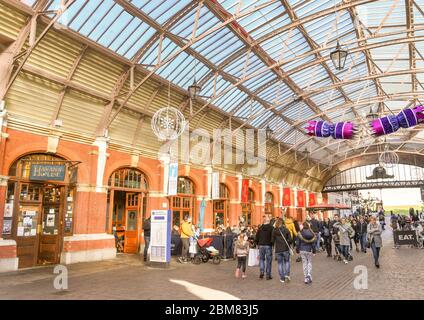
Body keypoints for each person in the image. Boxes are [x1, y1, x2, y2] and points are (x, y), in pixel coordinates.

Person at [272, 218, 293, 283]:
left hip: (278, 249)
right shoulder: (286, 229)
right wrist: (288, 243)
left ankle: (282, 278)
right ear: (283, 223)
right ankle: (287, 275)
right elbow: (290, 239)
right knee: (287, 262)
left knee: (280, 264)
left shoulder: (274, 230)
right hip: (285, 248)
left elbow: (272, 240)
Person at [255, 215, 274, 280]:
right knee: (269, 260)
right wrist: (272, 244)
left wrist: (257, 243)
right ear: (269, 221)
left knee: (262, 259)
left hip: (261, 245)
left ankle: (262, 272)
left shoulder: (260, 228)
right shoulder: (271, 228)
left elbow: (257, 237)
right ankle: (268, 275)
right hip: (268, 245)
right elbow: (273, 237)